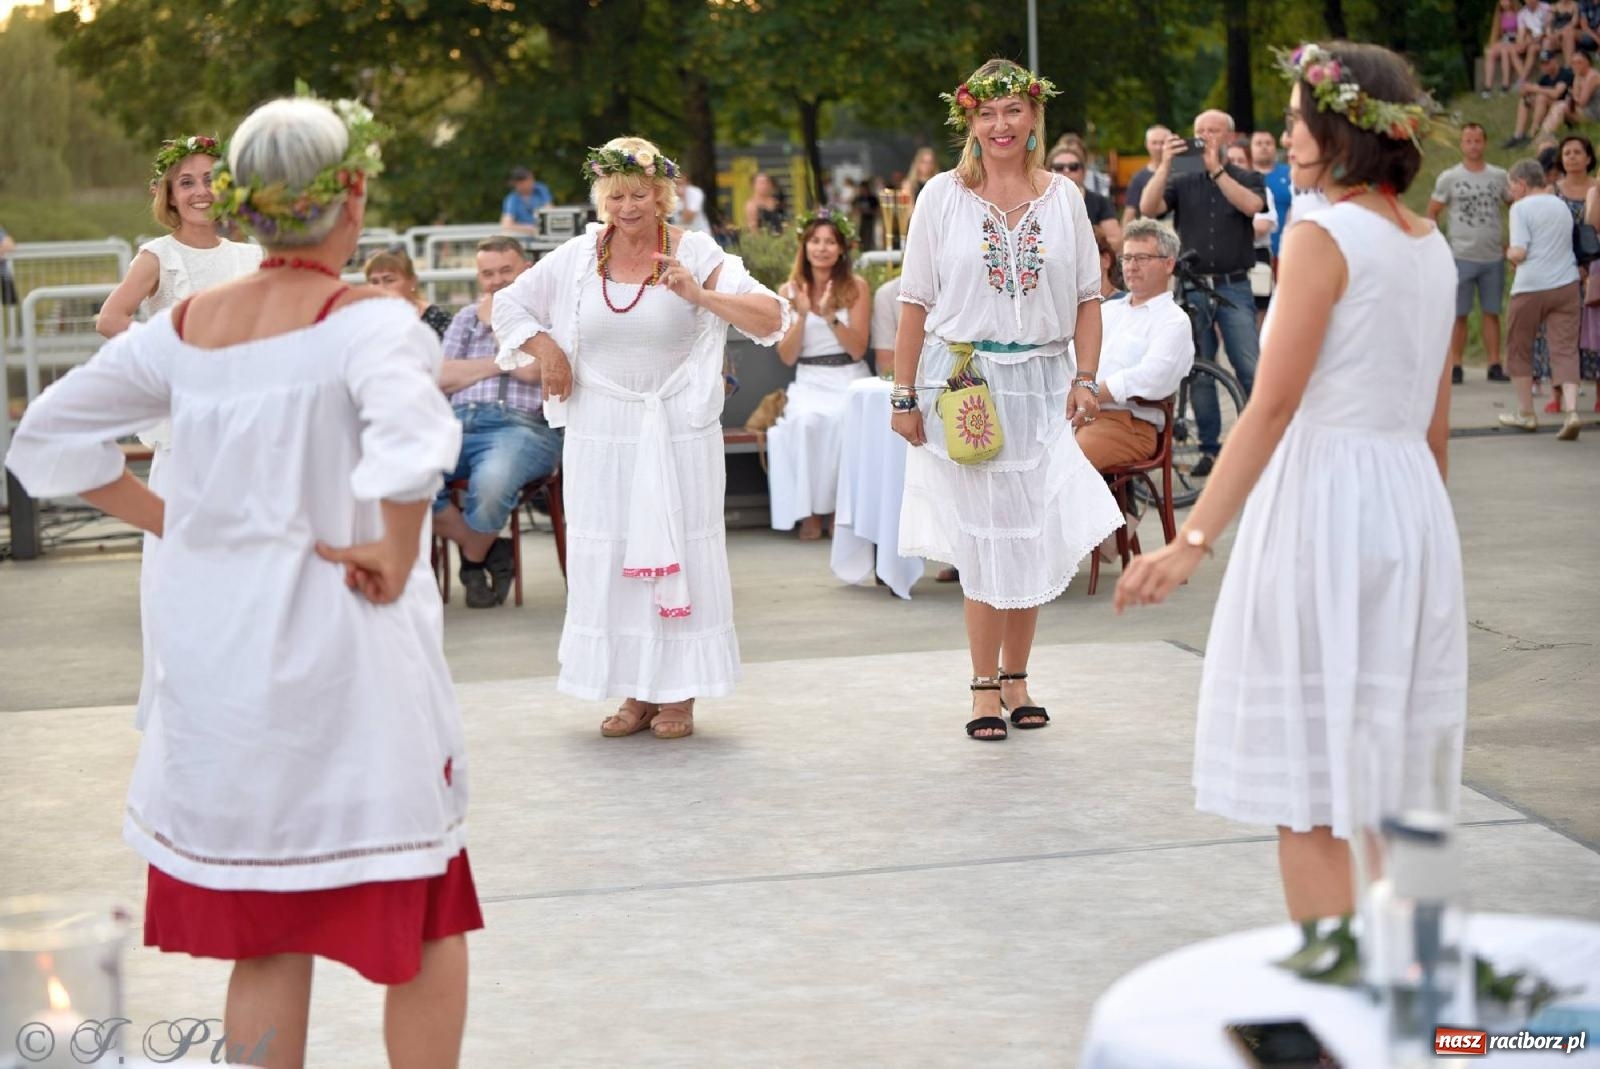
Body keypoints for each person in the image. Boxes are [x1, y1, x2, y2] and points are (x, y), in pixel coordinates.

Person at [6, 93, 479, 1066]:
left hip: (226, 664)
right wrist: (394, 544)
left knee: (267, 929)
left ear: (241, 206)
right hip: (350, 657)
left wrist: (178, 522)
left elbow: (47, 436)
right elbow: (414, 438)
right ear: (350, 198)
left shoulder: (183, 329)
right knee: (423, 919)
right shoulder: (370, 324)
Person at [1115, 42, 1467, 922]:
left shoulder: (1320, 234)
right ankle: (1403, 1002)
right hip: (1410, 507)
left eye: (1300, 116)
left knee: (1309, 788)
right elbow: (1434, 427)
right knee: (1384, 776)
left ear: (1341, 127)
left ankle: (1337, 1023)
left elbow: (1269, 407)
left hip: (1326, 505)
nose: (1288, 132)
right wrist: (1423, 540)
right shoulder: (1430, 246)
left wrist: (1191, 542)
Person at [493, 137, 787, 740]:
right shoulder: (577, 257)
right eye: (616, 196)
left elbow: (770, 316)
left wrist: (698, 294)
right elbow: (507, 306)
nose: (628, 207)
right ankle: (635, 690)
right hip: (601, 431)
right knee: (616, 555)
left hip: (676, 427)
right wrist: (547, 349)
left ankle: (677, 692)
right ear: (602, 200)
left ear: (662, 196)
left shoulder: (697, 251)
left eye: (640, 195)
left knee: (677, 547)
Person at [891, 59, 1121, 742]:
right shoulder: (940, 196)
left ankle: (1019, 676)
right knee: (985, 541)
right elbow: (912, 305)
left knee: (1033, 536)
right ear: (970, 119)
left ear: (1034, 117)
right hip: (965, 383)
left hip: (1046, 385)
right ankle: (983, 685)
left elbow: (1088, 298)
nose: (1001, 126)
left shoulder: (1065, 199)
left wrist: (1086, 377)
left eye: (1013, 112)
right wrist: (904, 395)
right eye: (987, 115)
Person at [95, 135, 263, 737]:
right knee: (181, 565)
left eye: (210, 178)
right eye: (186, 181)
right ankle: (181, 708)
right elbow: (110, 318)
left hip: (244, 428)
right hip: (187, 428)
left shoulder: (252, 258)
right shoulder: (158, 255)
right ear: (169, 194)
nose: (200, 191)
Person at [432, 237, 562, 607]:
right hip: (456, 422)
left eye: (506, 270)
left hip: (522, 427)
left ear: (527, 269)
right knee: (405, 476)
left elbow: (533, 372)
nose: (497, 281)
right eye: (488, 274)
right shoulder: (465, 318)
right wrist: (501, 361)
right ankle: (489, 549)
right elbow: (441, 377)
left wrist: (502, 324)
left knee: (491, 485)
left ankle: (471, 563)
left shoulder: (550, 315)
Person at [1140, 108, 1267, 476]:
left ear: (1229, 137)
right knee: (1199, 372)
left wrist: (1216, 169)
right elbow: (1149, 208)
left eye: (1213, 131)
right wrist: (1165, 163)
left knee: (1249, 365)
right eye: (1200, 131)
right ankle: (1210, 450)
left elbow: (1253, 205)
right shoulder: (1182, 177)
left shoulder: (1245, 176)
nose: (1206, 137)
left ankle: (1259, 443)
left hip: (1234, 286)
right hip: (1194, 287)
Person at [766, 210, 872, 540]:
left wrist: (829, 316)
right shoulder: (790, 290)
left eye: (830, 242)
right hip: (810, 378)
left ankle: (841, 511)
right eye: (815, 241)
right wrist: (800, 316)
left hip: (848, 375)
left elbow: (857, 349)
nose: (822, 248)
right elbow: (786, 355)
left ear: (842, 249)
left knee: (844, 422)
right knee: (806, 423)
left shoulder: (856, 287)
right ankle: (810, 511)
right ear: (805, 246)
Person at [1078, 219, 1194, 473]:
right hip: (1082, 415)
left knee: (1064, 465)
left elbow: (1154, 377)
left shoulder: (1173, 320)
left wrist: (1092, 392)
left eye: (1141, 258)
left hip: (1130, 424)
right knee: (1029, 457)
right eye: (1127, 258)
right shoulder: (1108, 311)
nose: (1131, 267)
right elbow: (1071, 358)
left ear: (1169, 264)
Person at [1500, 157, 1585, 438]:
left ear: (1522, 185)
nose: (1511, 191)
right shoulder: (1560, 204)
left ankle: (1526, 413)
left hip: (1531, 287)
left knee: (1519, 347)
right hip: (1566, 286)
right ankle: (1572, 411)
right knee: (1564, 349)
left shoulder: (1520, 208)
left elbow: (1520, 252)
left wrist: (1508, 253)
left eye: (1512, 185)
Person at [1429, 123, 1513, 384]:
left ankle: (1494, 362)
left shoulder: (1499, 176)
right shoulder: (1450, 178)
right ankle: (1456, 363)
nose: (1473, 146)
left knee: (1491, 311)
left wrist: (1511, 242)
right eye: (1468, 141)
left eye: (1478, 141)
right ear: (1461, 144)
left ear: (1484, 143)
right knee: (1459, 312)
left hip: (1492, 256)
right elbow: (1432, 212)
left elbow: (1516, 206)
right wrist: (1440, 246)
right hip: (1461, 254)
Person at [364, 247, 453, 338]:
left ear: (412, 281)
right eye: (374, 282)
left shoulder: (439, 321)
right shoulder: (364, 320)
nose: (381, 287)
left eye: (389, 280)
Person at [1050, 143, 1123, 252]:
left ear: (1084, 172)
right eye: (1059, 167)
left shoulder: (1099, 202)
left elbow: (1116, 241)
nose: (1066, 171)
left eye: (1073, 167)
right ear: (1049, 171)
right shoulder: (1039, 203)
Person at [1504, 50, 1574, 149]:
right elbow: (1533, 90)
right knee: (1526, 100)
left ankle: (1532, 133)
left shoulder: (1565, 74)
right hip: (1550, 108)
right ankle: (1518, 135)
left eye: (1547, 63)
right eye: (1543, 64)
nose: (1545, 66)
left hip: (1564, 110)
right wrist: (1526, 90)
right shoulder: (1545, 78)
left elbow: (1556, 94)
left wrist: (1535, 89)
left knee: (1542, 97)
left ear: (1554, 61)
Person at [1251, 129, 1294, 263]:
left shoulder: (1291, 174)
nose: (1264, 147)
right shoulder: (1244, 178)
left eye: (1268, 143)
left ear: (1275, 147)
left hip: (1287, 249)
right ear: (1250, 148)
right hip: (1257, 252)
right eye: (1258, 143)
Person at [1122, 124, 1173, 225]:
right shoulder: (1138, 178)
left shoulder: (1185, 173)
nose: (1159, 147)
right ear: (1147, 144)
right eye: (1154, 143)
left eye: (1162, 143)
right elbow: (1129, 212)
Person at [1487, 0, 1527, 95]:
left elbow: (1522, 32)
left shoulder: (1519, 14)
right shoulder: (1500, 15)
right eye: (1502, 1)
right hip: (1505, 40)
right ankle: (1487, 86)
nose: (1504, 3)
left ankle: (1506, 84)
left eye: (1506, 0)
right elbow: (1497, 33)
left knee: (1505, 51)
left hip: (1515, 40)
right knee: (1490, 52)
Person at [499, 165, 552, 235]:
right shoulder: (512, 199)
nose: (532, 182)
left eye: (532, 179)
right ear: (518, 183)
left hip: (546, 234)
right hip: (526, 236)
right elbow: (506, 225)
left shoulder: (540, 189)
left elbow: (550, 212)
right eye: (529, 180)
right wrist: (531, 228)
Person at [675, 169, 712, 236]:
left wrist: (684, 197)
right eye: (676, 183)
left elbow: (688, 218)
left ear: (687, 183)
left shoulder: (695, 192)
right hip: (681, 236)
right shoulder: (670, 196)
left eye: (681, 183)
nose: (678, 187)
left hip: (700, 234)